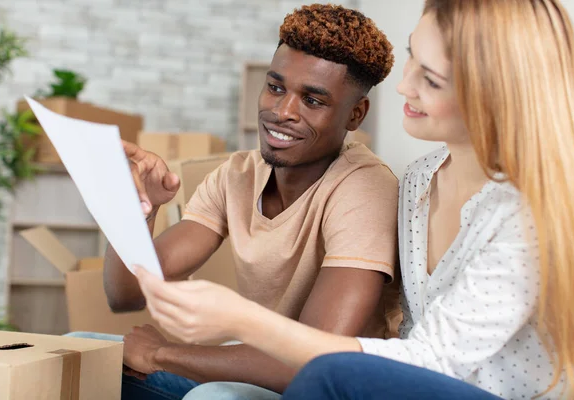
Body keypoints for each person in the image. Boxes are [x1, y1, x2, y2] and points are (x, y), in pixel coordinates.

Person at [134, 0, 574, 399]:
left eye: (431, 79)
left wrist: (240, 322)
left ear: (493, 95)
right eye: (411, 59)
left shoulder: (528, 216)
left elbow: (433, 359)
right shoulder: (421, 179)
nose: (404, 86)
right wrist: (132, 203)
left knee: (320, 378)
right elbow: (126, 290)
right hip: (413, 385)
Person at [70, 4, 402, 400]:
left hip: (329, 389)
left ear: (355, 114)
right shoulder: (238, 175)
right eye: (276, 87)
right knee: (80, 353)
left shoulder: (365, 190)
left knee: (209, 397)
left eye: (313, 100)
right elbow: (127, 294)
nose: (282, 112)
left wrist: (162, 354)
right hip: (257, 369)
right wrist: (135, 208)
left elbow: (315, 360)